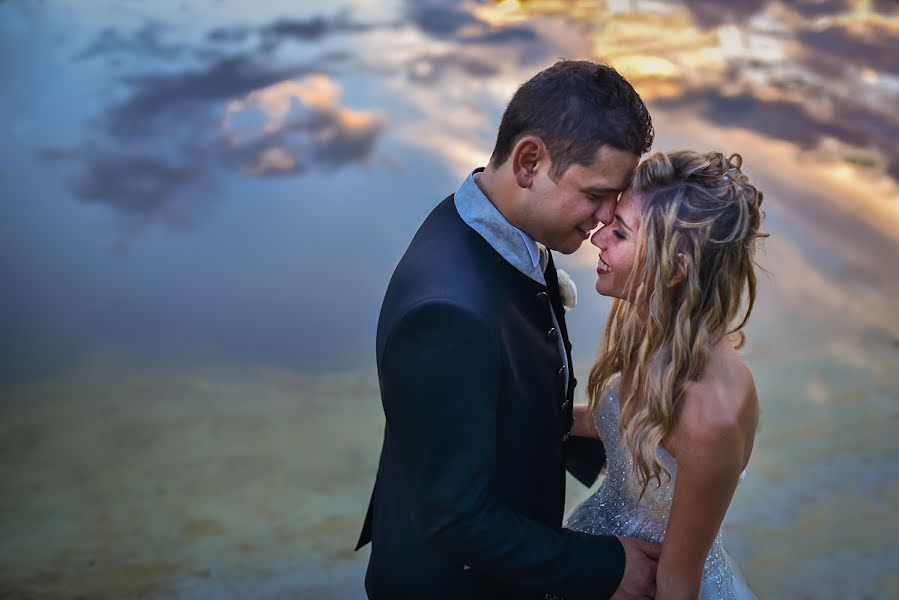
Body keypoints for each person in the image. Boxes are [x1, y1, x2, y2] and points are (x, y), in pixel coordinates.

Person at [355, 60, 660, 599]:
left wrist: (630, 452)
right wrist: (608, 568)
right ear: (529, 161)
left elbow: (501, 405)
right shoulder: (447, 313)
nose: (606, 217)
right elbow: (453, 517)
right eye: (596, 194)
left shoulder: (501, 226)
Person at [566, 150, 765, 599]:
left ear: (674, 269)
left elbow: (677, 582)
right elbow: (620, 422)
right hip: (602, 551)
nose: (598, 238)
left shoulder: (708, 415)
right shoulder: (657, 332)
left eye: (619, 232)